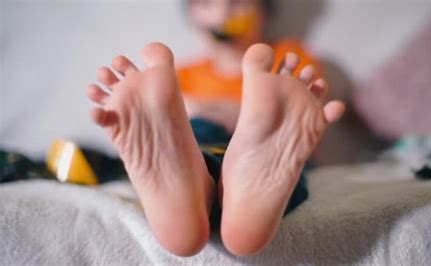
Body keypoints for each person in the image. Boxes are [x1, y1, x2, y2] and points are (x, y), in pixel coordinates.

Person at [86, 0, 345, 258]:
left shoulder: (287, 57)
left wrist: (214, 109)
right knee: (197, 137)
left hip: (274, 138)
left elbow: (304, 107)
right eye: (207, 4)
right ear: (193, 17)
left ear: (263, 14)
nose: (222, 14)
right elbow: (181, 116)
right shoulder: (184, 74)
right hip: (200, 140)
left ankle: (208, 189)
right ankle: (195, 178)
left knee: (264, 142)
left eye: (237, 4)